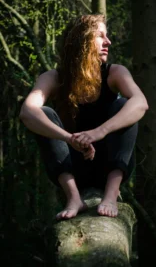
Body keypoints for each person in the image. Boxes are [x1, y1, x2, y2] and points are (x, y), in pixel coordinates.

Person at [19, 14, 148, 220]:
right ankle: (73, 197)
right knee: (43, 114)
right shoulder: (53, 78)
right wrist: (69, 138)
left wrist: (98, 132)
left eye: (108, 36)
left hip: (110, 164)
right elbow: (27, 112)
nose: (108, 42)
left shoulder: (115, 73)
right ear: (82, 40)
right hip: (72, 166)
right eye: (100, 36)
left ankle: (111, 194)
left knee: (125, 105)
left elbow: (141, 103)